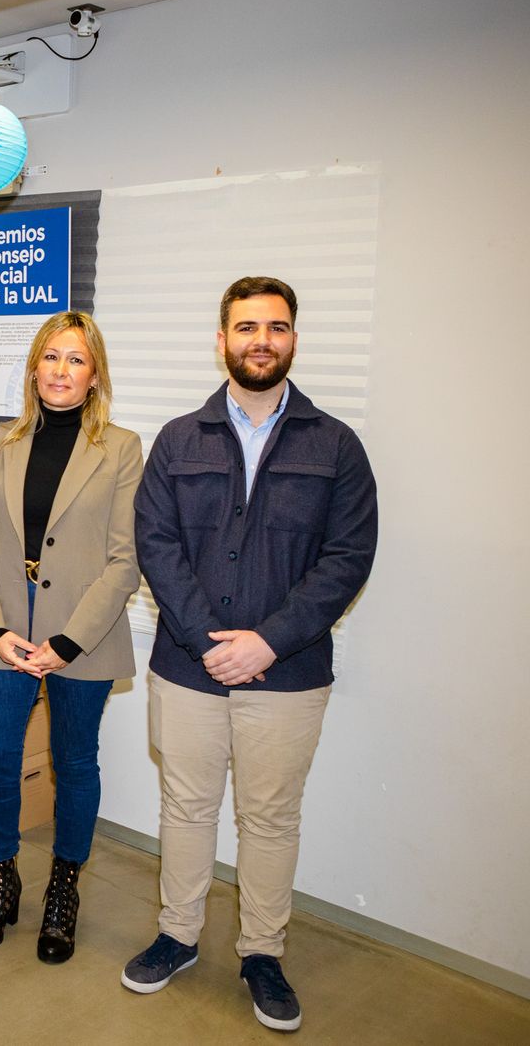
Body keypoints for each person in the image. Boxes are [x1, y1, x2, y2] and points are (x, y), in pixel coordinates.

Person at [121, 277, 376, 1032]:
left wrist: (268, 640)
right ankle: (178, 935)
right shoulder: (178, 440)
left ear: (293, 339)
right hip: (187, 668)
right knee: (186, 807)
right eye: (246, 326)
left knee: (269, 819)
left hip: (288, 675)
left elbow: (348, 557)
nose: (261, 340)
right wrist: (209, 641)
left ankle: (263, 952)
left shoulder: (336, 446)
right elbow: (156, 545)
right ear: (222, 339)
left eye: (276, 327)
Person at [0, 310, 143, 963]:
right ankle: (2, 876)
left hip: (82, 636)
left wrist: (66, 643)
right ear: (34, 368)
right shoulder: (1, 443)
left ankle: (64, 887)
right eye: (51, 357)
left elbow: (125, 560)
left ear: (95, 376)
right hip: (5, 633)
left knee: (75, 764)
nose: (61, 370)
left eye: (76, 359)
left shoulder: (121, 448)